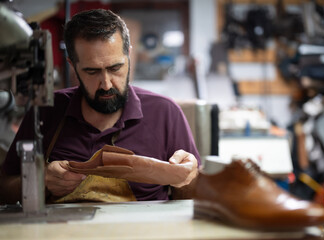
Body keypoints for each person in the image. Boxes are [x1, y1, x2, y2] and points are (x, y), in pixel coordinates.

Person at [0, 9, 200, 203]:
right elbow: (4, 190)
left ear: (129, 56)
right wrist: (40, 182)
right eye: (92, 71)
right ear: (73, 65)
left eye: (115, 68)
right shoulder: (46, 112)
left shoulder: (165, 113)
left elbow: (193, 199)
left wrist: (186, 177)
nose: (106, 84)